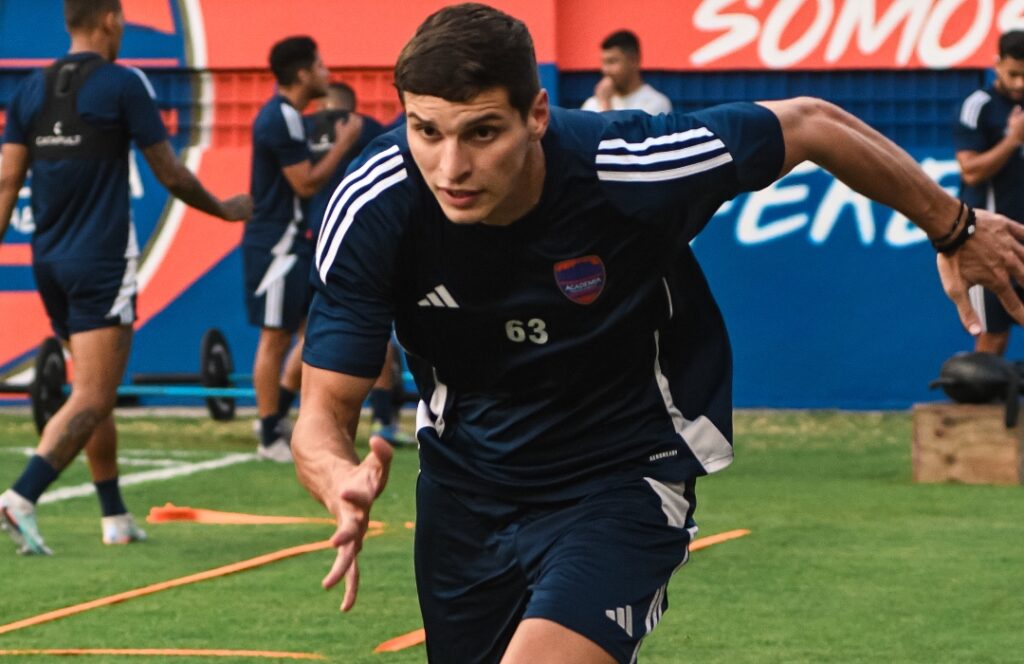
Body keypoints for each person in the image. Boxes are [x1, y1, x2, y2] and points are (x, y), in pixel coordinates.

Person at [291, 4, 1024, 663]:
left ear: (536, 115)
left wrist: (954, 227)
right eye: (426, 132)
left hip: (622, 473)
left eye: (482, 133)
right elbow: (322, 415)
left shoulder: (629, 166)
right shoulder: (375, 210)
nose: (451, 167)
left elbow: (810, 124)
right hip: (466, 487)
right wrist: (336, 478)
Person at [0, 0, 252, 555]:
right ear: (111, 20)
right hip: (101, 264)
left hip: (50, 264)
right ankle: (20, 497)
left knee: (94, 391)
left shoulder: (30, 90)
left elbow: (6, 183)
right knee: (93, 396)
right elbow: (171, 173)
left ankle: (114, 515)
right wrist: (224, 209)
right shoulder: (122, 83)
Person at [245, 36, 363, 463]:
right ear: (301, 74)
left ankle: (286, 416)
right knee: (275, 337)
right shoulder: (281, 118)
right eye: (319, 66)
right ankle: (268, 433)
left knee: (310, 333)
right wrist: (344, 144)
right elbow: (305, 183)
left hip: (293, 241)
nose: (326, 73)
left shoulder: (290, 117)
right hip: (276, 244)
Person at [954, 30, 1024, 356]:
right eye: (1013, 74)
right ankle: (982, 389)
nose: (1020, 83)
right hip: (990, 241)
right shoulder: (979, 106)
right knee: (993, 337)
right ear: (997, 65)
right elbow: (970, 170)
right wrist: (1013, 140)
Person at [580, 30, 671, 115]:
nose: (605, 70)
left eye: (612, 61)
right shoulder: (592, 104)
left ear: (634, 60)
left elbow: (614, 128)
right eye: (603, 62)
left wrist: (605, 104)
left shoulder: (656, 103)